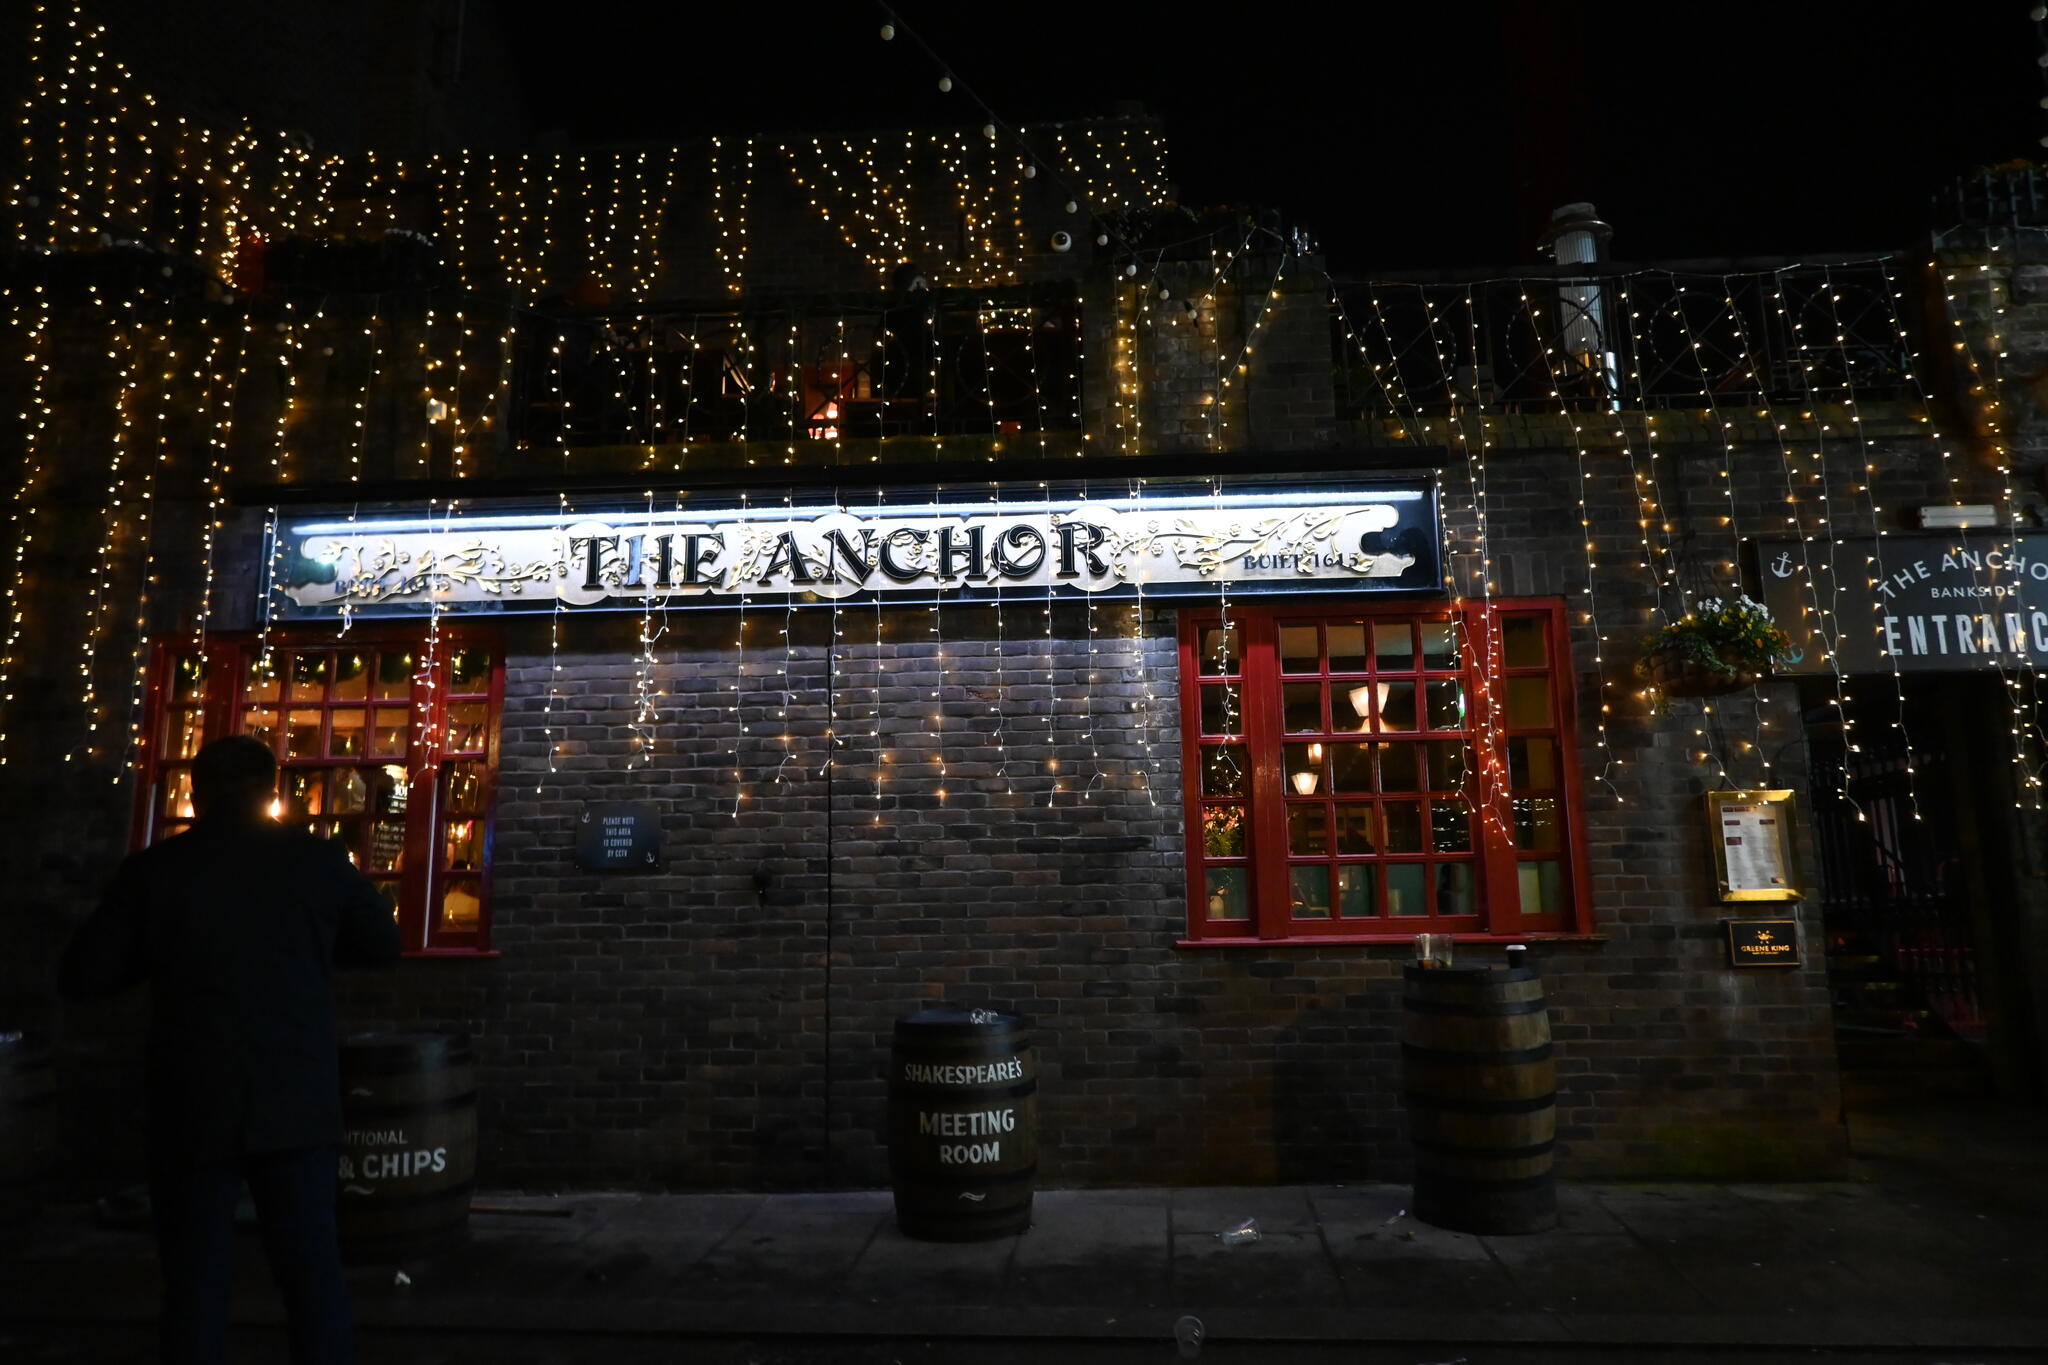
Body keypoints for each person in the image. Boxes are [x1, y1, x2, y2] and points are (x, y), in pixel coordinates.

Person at [61, 734, 401, 1365]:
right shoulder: (318, 863)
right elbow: (383, 945)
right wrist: (311, 947)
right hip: (294, 1096)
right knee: (312, 1279)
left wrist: (159, 953)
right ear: (272, 792)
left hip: (193, 1099)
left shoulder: (156, 870)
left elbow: (85, 976)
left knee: (194, 1284)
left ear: (196, 794)